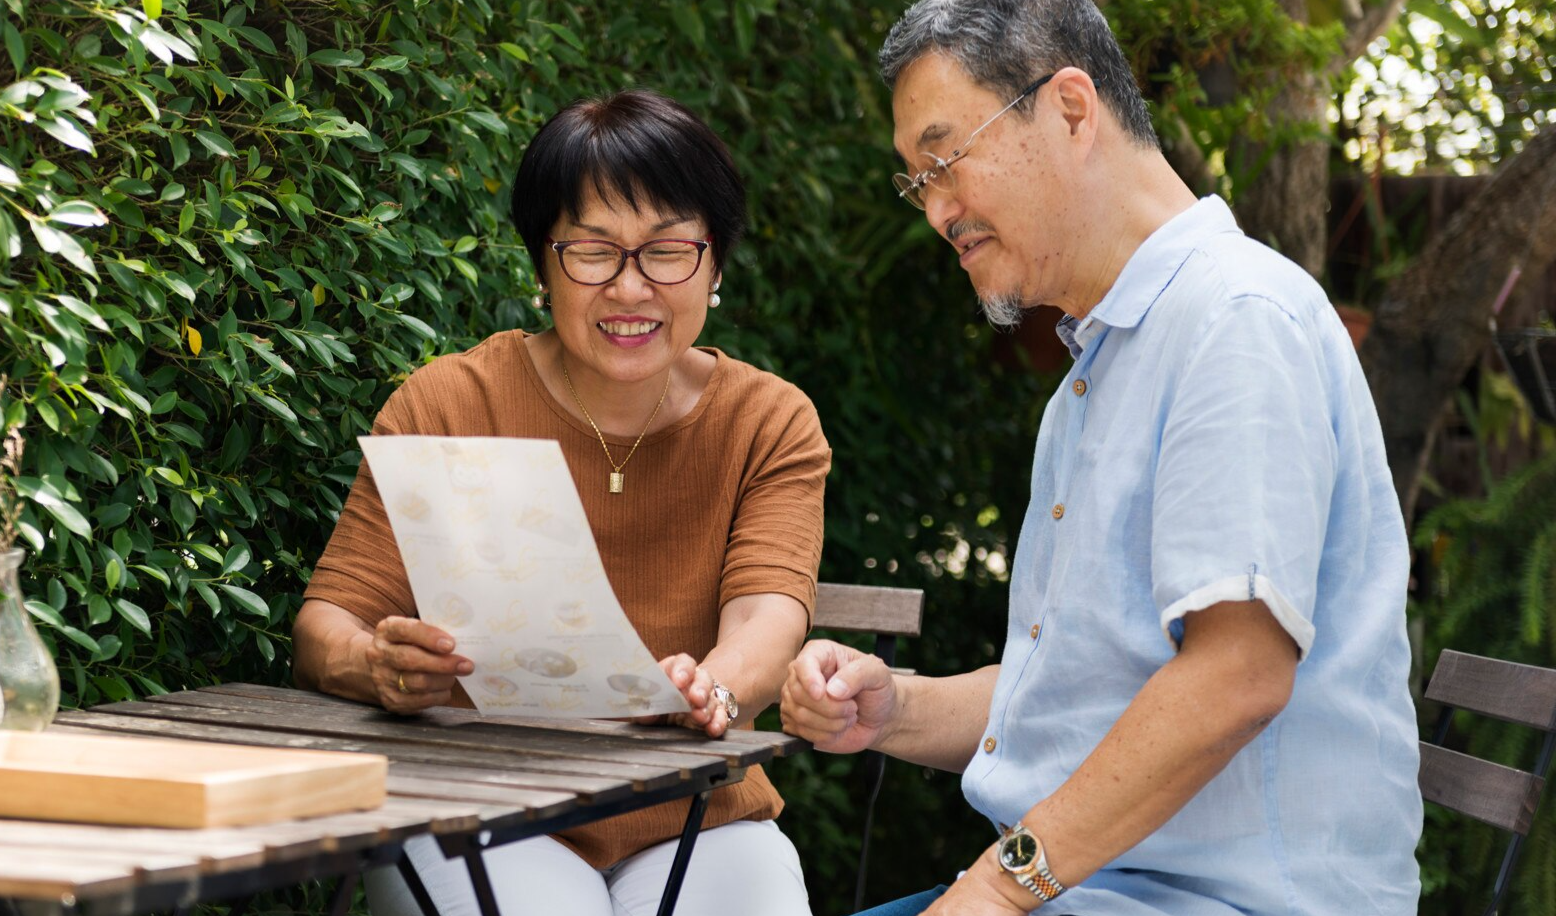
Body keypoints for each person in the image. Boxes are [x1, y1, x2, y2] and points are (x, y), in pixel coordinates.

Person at [780, 2, 1422, 914]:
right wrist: (896, 708)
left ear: (1072, 109)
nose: (936, 212)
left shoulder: (1235, 319)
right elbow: (1086, 685)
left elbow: (1235, 675)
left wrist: (999, 891)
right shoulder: (1101, 367)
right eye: (916, 182)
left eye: (947, 160)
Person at [291, 88, 828, 916]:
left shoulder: (767, 421)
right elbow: (326, 624)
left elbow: (767, 618)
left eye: (666, 251)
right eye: (592, 251)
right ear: (543, 264)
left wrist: (708, 690)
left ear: (713, 263)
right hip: (483, 804)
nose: (630, 287)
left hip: (697, 810)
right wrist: (379, 667)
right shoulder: (447, 404)